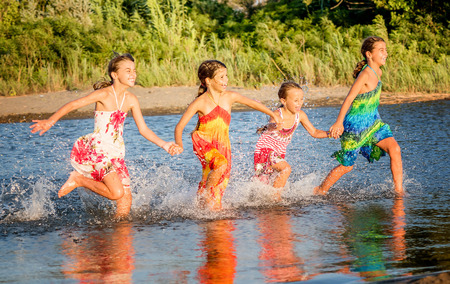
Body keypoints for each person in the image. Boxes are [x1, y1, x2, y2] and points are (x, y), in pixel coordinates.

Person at [30, 53, 181, 218]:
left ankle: (120, 236)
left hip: (116, 152)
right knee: (116, 192)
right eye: (128, 71)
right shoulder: (104, 94)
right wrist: (50, 121)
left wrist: (165, 145)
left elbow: (143, 129)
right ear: (115, 75)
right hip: (98, 149)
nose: (133, 74)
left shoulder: (131, 99)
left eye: (134, 70)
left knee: (125, 201)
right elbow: (74, 104)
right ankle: (78, 179)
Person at [174, 59, 282, 211]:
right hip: (203, 142)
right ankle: (205, 195)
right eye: (221, 77)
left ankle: (204, 206)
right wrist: (179, 145)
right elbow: (179, 127)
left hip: (223, 146)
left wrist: (273, 114)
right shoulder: (200, 102)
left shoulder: (229, 96)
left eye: (226, 76)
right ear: (208, 81)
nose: (226, 80)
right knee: (220, 164)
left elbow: (252, 103)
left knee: (219, 185)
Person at [314, 36, 404, 196]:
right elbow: (349, 98)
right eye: (381, 50)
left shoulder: (379, 72)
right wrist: (338, 123)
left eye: (386, 50)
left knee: (395, 149)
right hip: (355, 127)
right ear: (369, 54)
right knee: (347, 166)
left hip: (374, 123)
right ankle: (320, 190)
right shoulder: (365, 75)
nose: (386, 53)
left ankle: (399, 192)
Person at [254, 81, 330, 199]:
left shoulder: (300, 115)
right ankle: (276, 200)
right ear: (283, 101)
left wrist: (331, 134)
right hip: (265, 151)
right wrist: (275, 126)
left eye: (301, 99)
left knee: (266, 183)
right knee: (286, 169)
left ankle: (269, 202)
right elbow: (270, 124)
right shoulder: (277, 114)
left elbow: (314, 132)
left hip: (278, 153)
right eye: (296, 100)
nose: (299, 103)